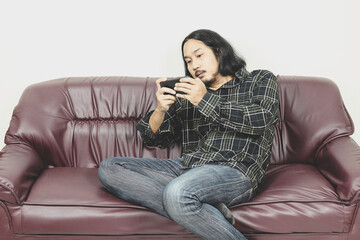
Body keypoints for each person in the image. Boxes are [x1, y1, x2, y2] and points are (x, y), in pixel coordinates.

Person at [98, 29, 279, 240]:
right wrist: (160, 110)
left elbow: (261, 119)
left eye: (199, 55)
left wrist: (204, 100)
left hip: (236, 170)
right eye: (188, 60)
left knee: (178, 192)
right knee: (111, 168)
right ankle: (210, 210)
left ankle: (187, 200)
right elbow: (154, 138)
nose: (194, 66)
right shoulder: (189, 93)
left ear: (219, 52)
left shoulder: (259, 80)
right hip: (188, 167)